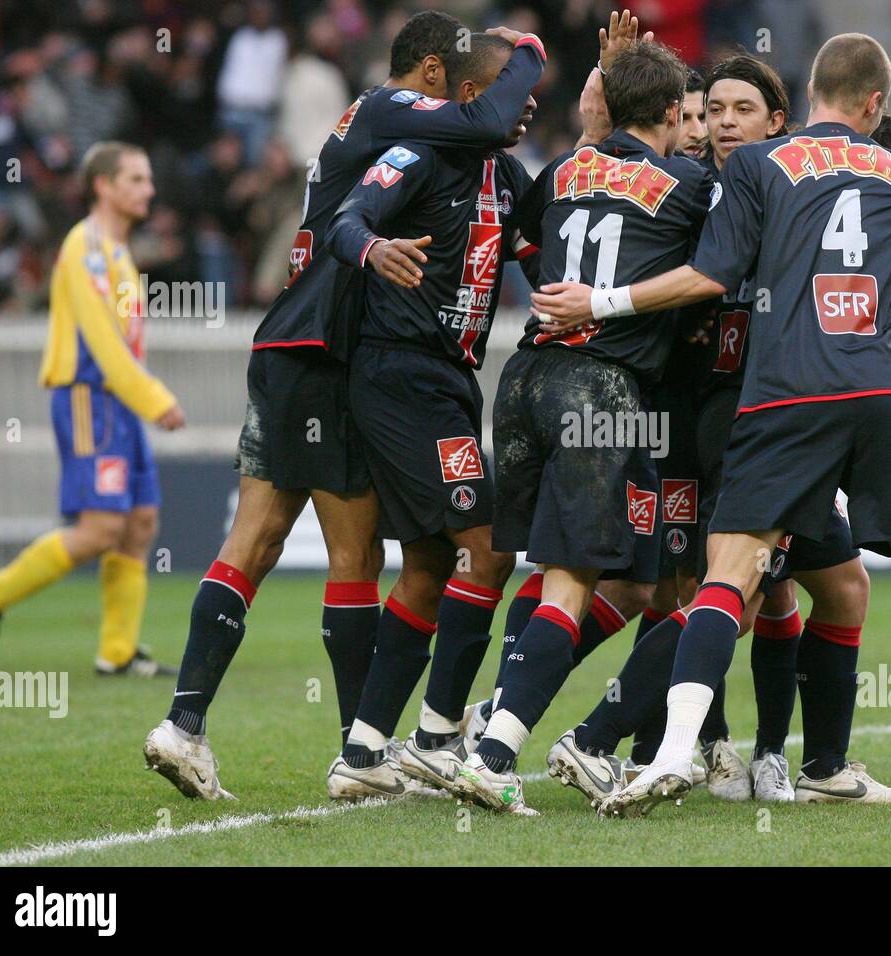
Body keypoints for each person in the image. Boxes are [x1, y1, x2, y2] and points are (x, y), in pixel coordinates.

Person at [533, 33, 891, 818]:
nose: (721, 123)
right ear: (875, 105)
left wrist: (602, 300)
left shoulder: (757, 167)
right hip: (883, 387)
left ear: (802, 97)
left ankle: (676, 754)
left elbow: (716, 274)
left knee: (731, 580)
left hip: (784, 391)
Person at [142, 11, 545, 802]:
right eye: (468, 90)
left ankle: (188, 727)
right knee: (358, 557)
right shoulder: (395, 115)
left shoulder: (383, 131)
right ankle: (363, 751)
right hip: (332, 347)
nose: (493, 112)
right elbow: (490, 117)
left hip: (295, 341)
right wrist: (528, 47)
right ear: (435, 75)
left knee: (260, 539)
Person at [453, 39, 714, 815]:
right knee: (570, 581)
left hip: (524, 377)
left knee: (579, 576)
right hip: (598, 392)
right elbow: (717, 264)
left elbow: (525, 241)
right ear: (673, 113)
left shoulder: (566, 168)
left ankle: (487, 723)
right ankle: (495, 752)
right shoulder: (687, 182)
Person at [321, 32, 539, 801]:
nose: (528, 107)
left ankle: (364, 751)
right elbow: (346, 218)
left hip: (450, 380)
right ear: (473, 99)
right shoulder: (417, 154)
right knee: (487, 548)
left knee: (429, 563)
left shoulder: (510, 176)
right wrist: (372, 250)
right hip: (399, 373)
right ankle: (440, 737)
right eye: (514, 93)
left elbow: (554, 246)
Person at [0, 141, 184, 678]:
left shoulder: (115, 250)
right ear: (103, 186)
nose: (148, 189)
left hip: (118, 402)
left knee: (139, 523)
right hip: (92, 398)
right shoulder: (84, 248)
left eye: (148, 178)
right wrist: (154, 398)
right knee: (98, 529)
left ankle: (116, 653)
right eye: (136, 179)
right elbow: (105, 344)